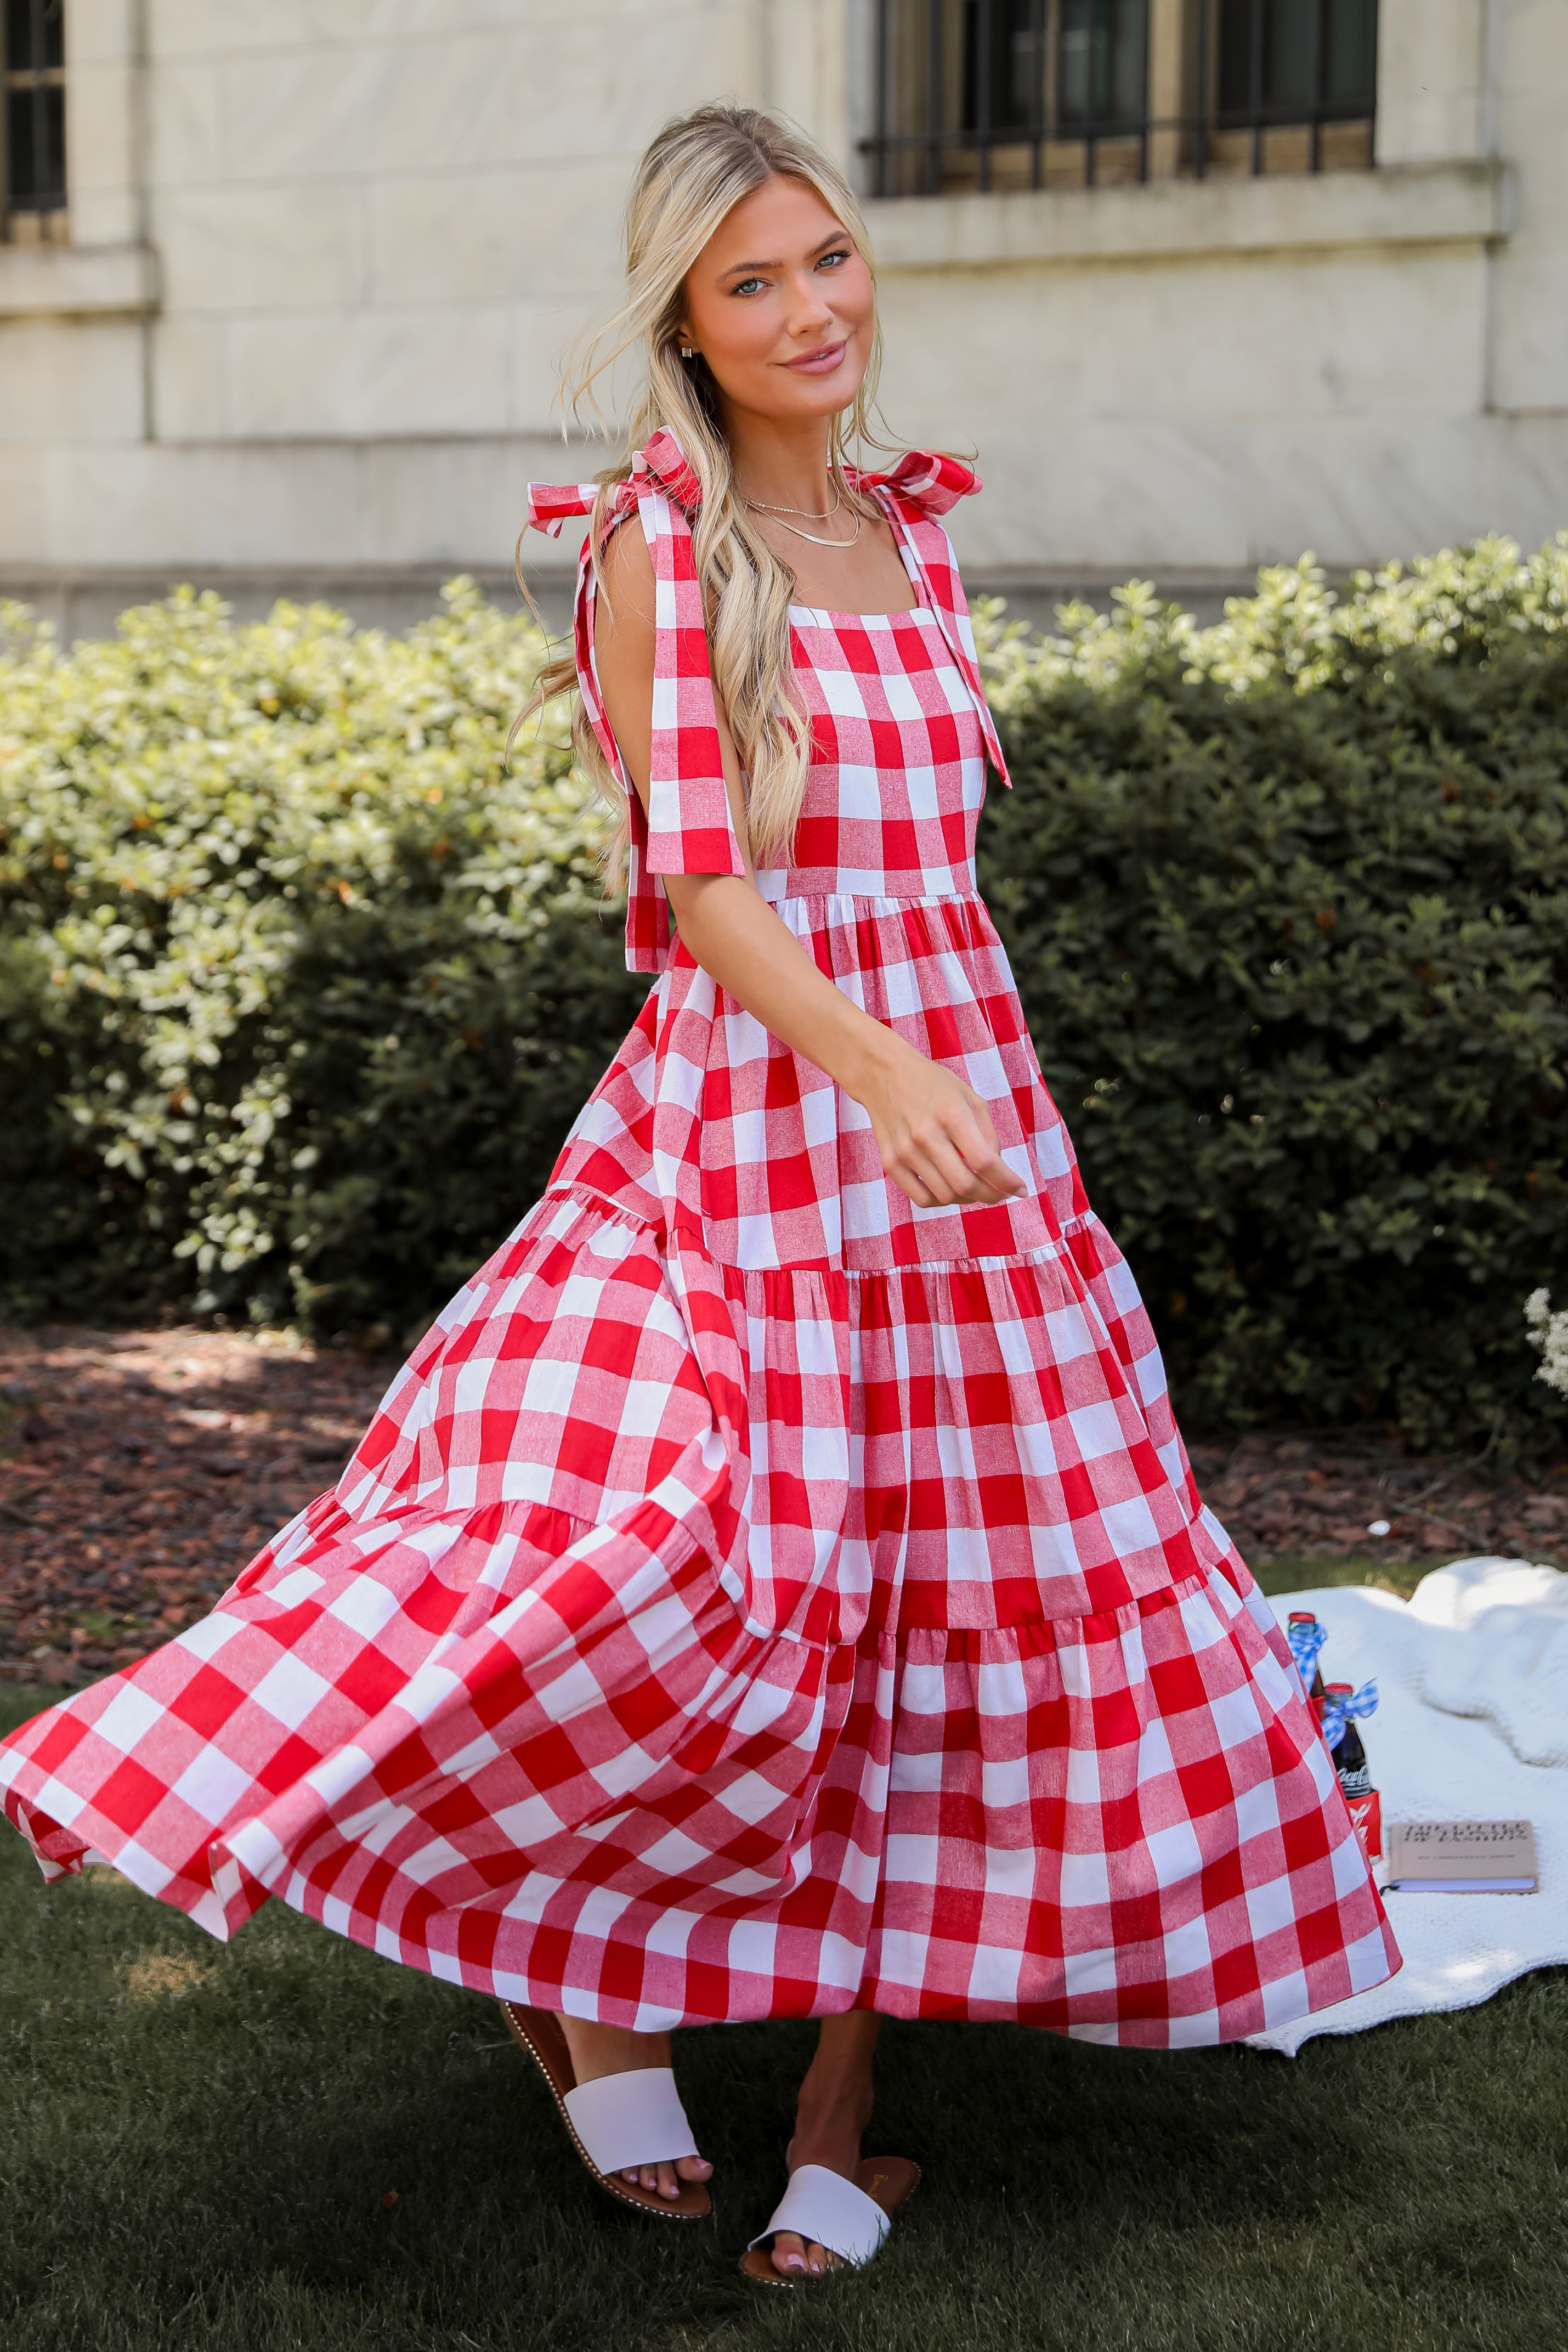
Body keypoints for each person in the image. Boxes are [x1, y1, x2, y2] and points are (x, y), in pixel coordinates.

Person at [0, 103, 1399, 2286]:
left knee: (961, 1596)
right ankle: (582, 1987)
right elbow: (699, 886)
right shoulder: (661, 544)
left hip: (964, 1123)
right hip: (761, 1121)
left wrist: (941, 1083)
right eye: (753, 281)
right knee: (668, 1559)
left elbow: (934, 878)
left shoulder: (914, 533)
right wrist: (878, 1070)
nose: (809, 307)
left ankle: (845, 2102)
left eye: (826, 257)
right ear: (685, 320)